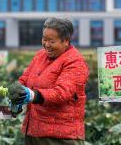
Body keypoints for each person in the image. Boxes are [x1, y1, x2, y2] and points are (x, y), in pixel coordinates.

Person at [8, 17, 89, 145]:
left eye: (51, 41)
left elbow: (62, 93)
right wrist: (17, 92)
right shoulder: (40, 55)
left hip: (60, 138)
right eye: (44, 39)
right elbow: (25, 78)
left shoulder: (75, 62)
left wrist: (32, 95)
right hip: (34, 132)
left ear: (66, 41)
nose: (46, 44)